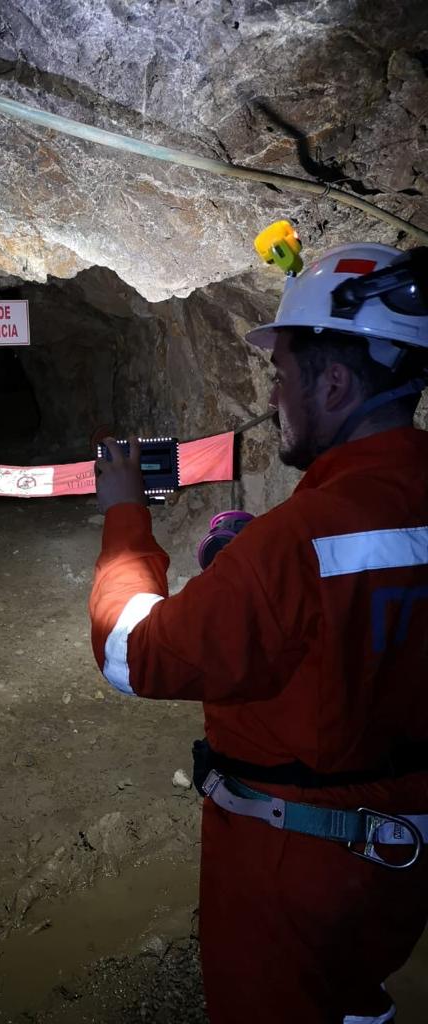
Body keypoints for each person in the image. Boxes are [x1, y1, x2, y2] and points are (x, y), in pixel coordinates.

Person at [89, 242, 428, 1024]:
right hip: (401, 859)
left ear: (334, 382)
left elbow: (131, 653)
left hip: (293, 863)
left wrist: (123, 514)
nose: (274, 397)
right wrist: (256, 572)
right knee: (355, 995)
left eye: (281, 376)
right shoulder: (311, 537)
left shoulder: (298, 542)